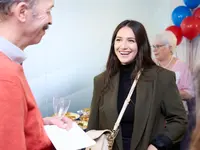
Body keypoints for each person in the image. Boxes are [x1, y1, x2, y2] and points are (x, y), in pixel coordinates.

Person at [87, 19, 187, 150]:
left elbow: (179, 120)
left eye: (131, 40)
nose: (123, 46)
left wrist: (158, 145)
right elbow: (92, 128)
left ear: (141, 45)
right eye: (118, 40)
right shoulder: (101, 80)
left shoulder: (162, 78)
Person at [0, 0, 72, 150]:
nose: (51, 20)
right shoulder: (5, 76)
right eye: (48, 11)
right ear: (22, 12)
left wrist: (39, 124)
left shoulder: (9, 64)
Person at [153, 31, 195, 150]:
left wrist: (169, 93)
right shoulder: (152, 66)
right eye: (153, 47)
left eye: (158, 46)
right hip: (156, 120)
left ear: (170, 47)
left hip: (175, 119)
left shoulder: (181, 66)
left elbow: (190, 93)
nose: (154, 50)